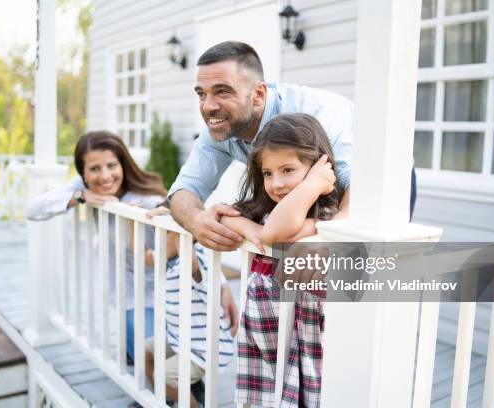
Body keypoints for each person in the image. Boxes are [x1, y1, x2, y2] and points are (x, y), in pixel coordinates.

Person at [25, 130, 239, 364]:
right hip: (126, 293)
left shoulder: (145, 202)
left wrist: (222, 285)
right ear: (84, 174)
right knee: (141, 358)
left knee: (162, 361)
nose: (105, 176)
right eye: (94, 169)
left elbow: (187, 241)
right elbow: (33, 210)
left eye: (111, 165)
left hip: (164, 293)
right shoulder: (86, 188)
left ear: (123, 164)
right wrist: (80, 195)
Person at [168, 41, 353, 252]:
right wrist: (196, 220)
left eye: (223, 91)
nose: (208, 106)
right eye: (201, 94)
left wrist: (325, 238)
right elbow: (185, 189)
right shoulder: (221, 126)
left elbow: (357, 189)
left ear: (259, 94)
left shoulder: (315, 115)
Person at [220, 113, 338, 407]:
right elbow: (223, 214)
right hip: (265, 330)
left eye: (288, 169)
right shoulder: (266, 211)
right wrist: (249, 227)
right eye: (268, 173)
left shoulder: (323, 215)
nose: (276, 183)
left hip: (305, 330)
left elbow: (275, 233)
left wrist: (311, 187)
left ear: (317, 169)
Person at [144, 205, 234, 408]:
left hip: (204, 348)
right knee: (146, 351)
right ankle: (167, 398)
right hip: (182, 338)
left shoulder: (199, 258)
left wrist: (178, 220)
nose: (162, 239)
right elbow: (143, 254)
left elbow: (190, 262)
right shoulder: (171, 260)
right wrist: (137, 217)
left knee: (165, 374)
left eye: (168, 233)